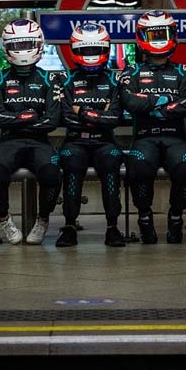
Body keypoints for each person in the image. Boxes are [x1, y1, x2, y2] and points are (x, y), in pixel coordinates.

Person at [119, 10, 186, 244]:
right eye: (152, 34)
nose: (157, 39)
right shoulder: (131, 71)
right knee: (139, 167)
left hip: (175, 136)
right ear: (142, 36)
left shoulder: (184, 70)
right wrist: (165, 102)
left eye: (162, 33)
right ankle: (145, 218)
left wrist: (150, 106)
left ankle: (176, 216)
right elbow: (129, 102)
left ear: (173, 34)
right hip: (144, 137)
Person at [0, 19, 62, 245]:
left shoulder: (50, 79)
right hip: (9, 141)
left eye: (27, 44)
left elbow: (52, 121)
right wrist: (28, 118)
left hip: (40, 142)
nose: (22, 50)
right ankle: (5, 220)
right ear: (6, 47)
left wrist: (16, 120)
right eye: (16, 45)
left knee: (52, 174)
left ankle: (43, 220)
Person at [56, 23, 126, 248]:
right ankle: (68, 227)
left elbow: (115, 119)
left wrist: (83, 112)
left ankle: (112, 228)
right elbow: (66, 118)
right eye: (85, 50)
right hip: (74, 141)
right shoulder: (64, 80)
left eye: (95, 49)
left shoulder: (115, 80)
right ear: (75, 50)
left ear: (105, 49)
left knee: (112, 165)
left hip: (105, 143)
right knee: (71, 167)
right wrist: (99, 115)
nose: (90, 55)